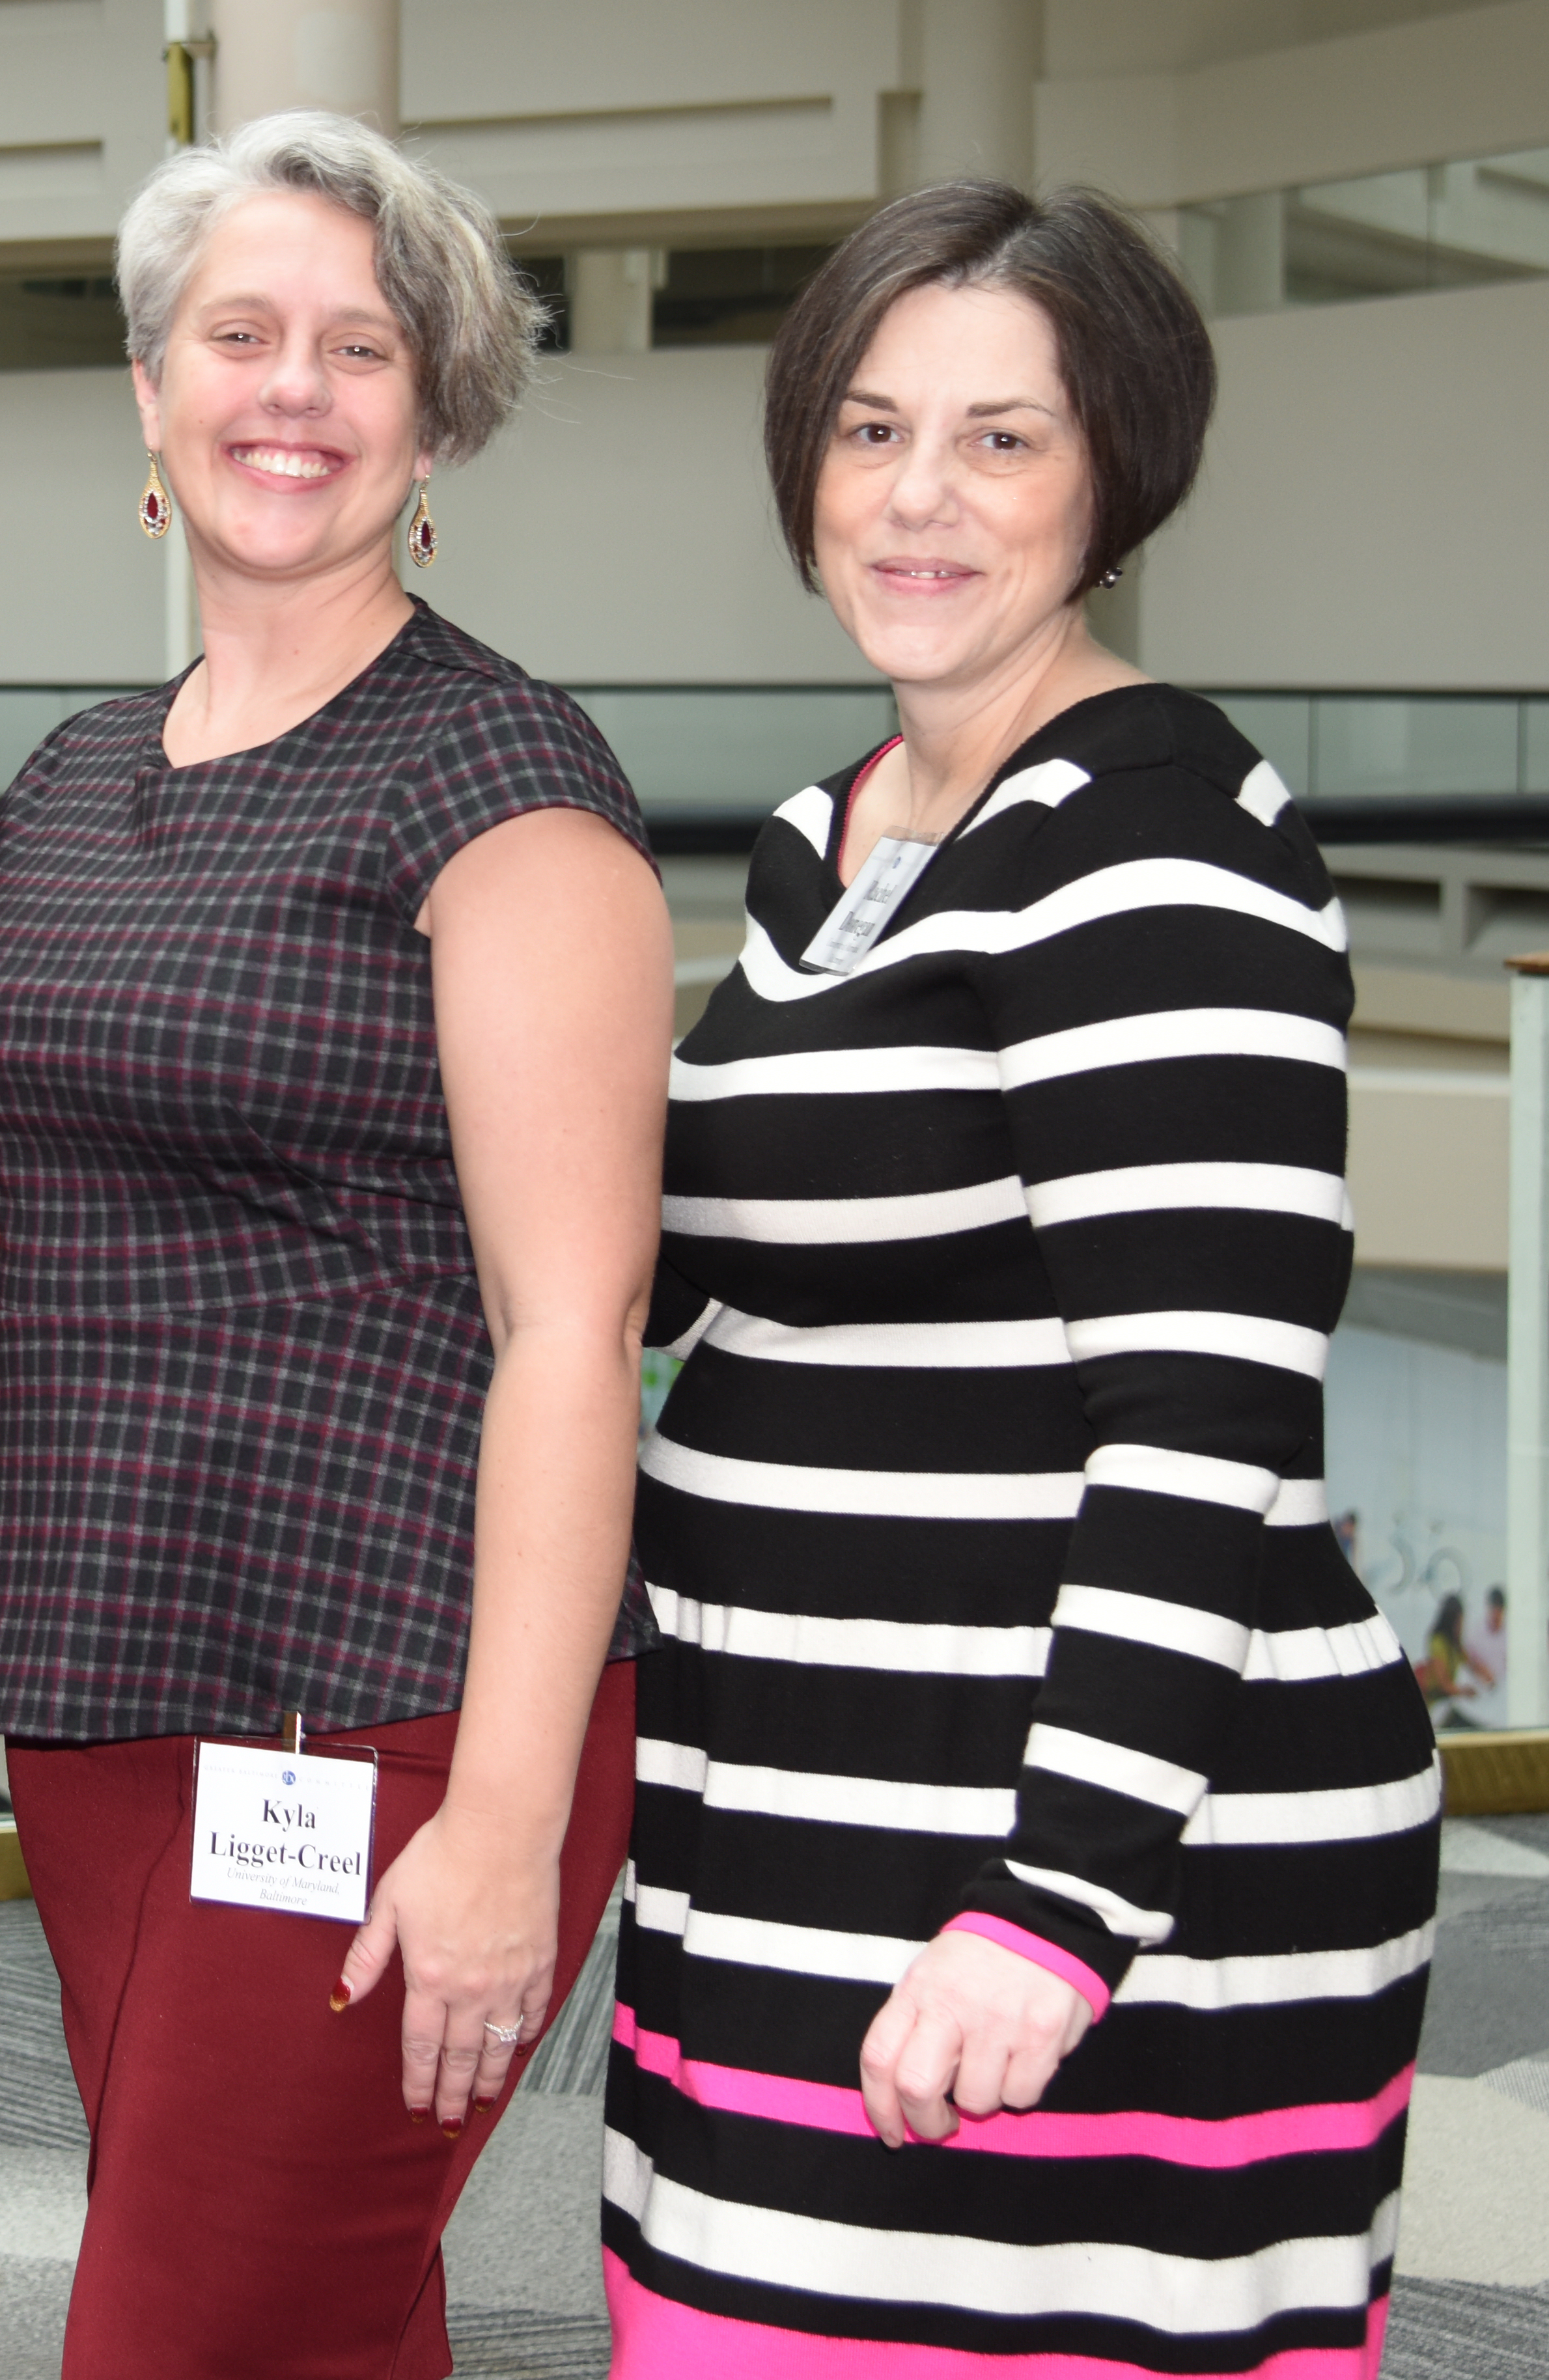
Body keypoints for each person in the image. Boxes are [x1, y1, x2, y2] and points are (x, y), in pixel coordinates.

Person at [615, 180, 1440, 2374]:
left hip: (1070, 1871)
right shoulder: (843, 831)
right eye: (872, 429)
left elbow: (1205, 1425)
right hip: (792, 1819)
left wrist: (1049, 1916)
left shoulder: (1160, 841)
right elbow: (689, 1267)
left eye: (1003, 439)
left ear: (1117, 469)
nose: (916, 499)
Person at [0, 111, 671, 2379]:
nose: (295, 390)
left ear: (434, 415)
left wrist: (506, 1827)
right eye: (240, 334)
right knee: (319, 2321)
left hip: (401, 1715)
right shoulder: (68, 776)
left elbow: (574, 1327)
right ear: (150, 391)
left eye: (362, 347)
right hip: (109, 1702)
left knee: (179, 2341)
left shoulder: (502, 785)